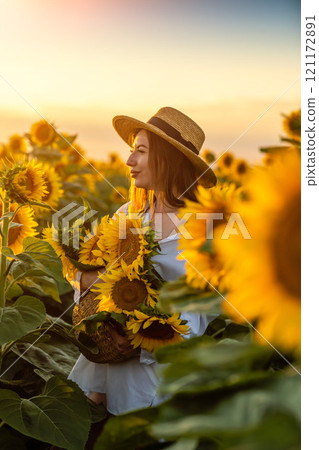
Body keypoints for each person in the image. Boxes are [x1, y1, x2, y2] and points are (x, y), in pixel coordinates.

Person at [68, 106, 217, 418]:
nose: (129, 161)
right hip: (105, 373)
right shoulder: (128, 215)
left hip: (161, 383)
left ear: (169, 159)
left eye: (141, 151)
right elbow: (93, 279)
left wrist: (143, 340)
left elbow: (201, 314)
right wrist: (83, 281)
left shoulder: (207, 229)